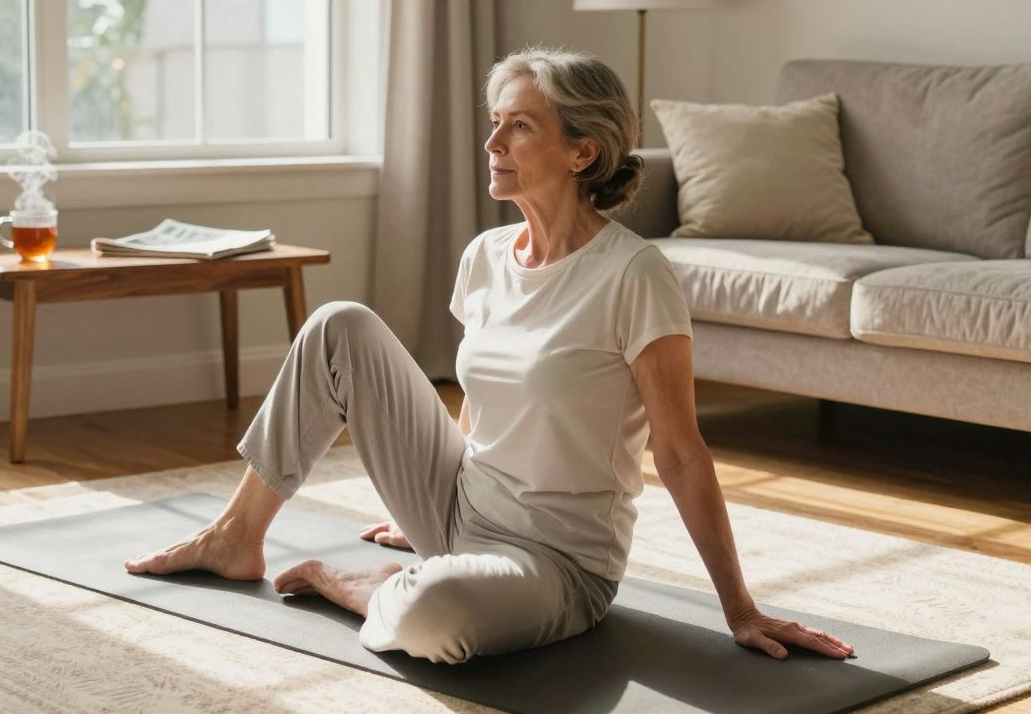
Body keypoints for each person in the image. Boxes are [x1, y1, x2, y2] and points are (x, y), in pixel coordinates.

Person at [124, 47, 855, 665]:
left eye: (520, 127)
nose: (493, 143)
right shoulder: (484, 256)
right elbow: (483, 398)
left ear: (582, 151)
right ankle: (235, 536)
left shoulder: (635, 275)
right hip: (459, 502)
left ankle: (357, 582)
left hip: (557, 560)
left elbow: (681, 452)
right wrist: (426, 507)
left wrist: (741, 610)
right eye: (494, 123)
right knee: (338, 323)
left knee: (434, 616)